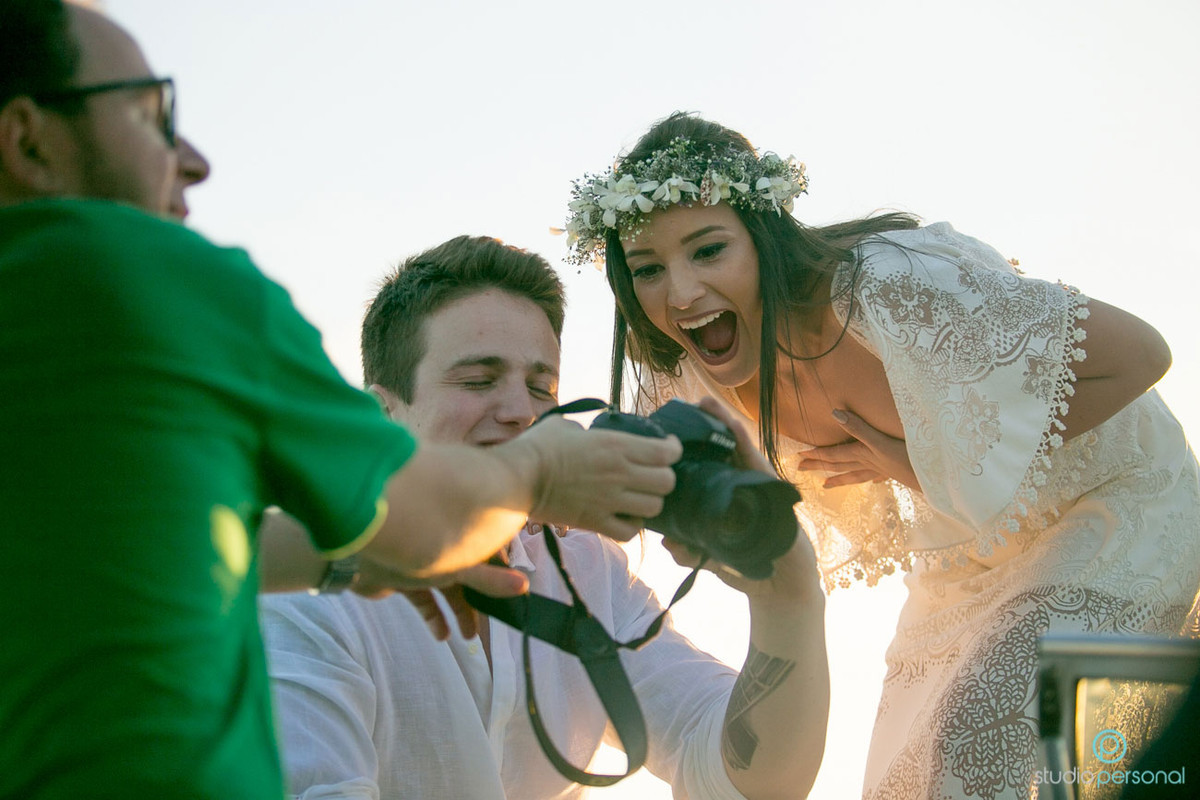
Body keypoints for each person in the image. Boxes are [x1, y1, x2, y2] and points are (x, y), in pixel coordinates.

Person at [0, 3, 681, 798]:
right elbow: (428, 518)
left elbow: (132, 555)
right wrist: (541, 472)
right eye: (154, 113)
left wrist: (347, 561)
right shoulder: (162, 284)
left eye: (541, 387)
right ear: (28, 139)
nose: (192, 159)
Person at [562, 111, 1200, 800]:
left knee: (975, 742)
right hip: (965, 561)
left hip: (1108, 502)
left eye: (708, 250)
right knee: (905, 779)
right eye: (648, 269)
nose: (680, 293)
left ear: (763, 237)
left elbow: (1141, 355)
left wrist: (918, 459)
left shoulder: (879, 286)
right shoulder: (679, 375)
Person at [259, 235, 829, 800]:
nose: (520, 413)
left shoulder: (589, 570)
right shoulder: (306, 590)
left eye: (541, 387)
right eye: (478, 381)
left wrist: (788, 599)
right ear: (385, 412)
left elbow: (747, 780)